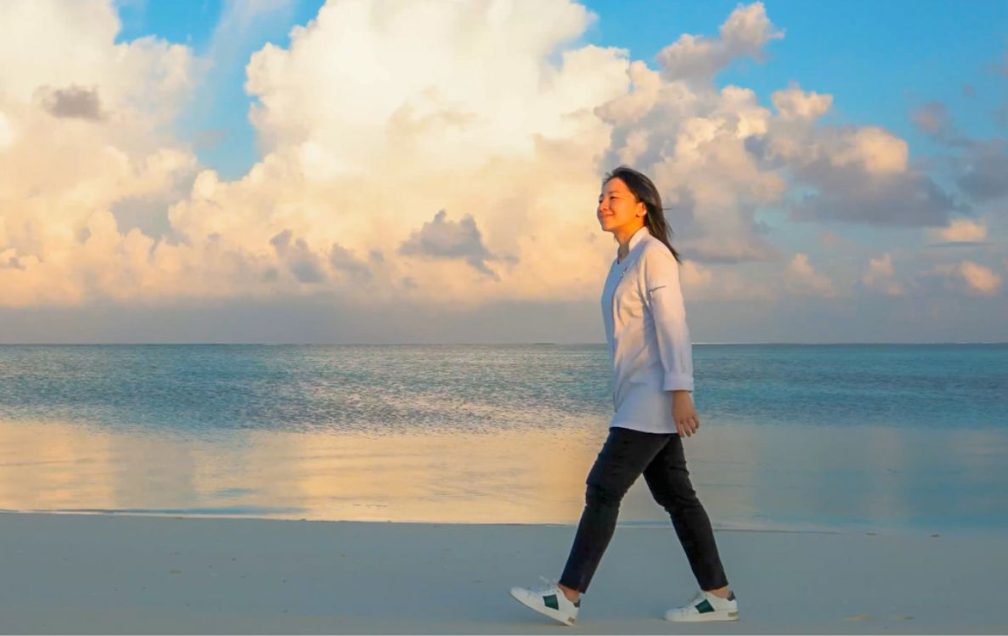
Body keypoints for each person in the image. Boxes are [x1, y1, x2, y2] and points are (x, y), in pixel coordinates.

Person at [509, 166, 737, 625]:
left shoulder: (654, 255)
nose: (602, 205)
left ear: (641, 206)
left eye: (613, 197)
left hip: (653, 394)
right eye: (600, 197)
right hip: (635, 394)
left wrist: (680, 390)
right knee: (677, 497)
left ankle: (567, 595)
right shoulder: (622, 261)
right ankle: (718, 596)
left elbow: (673, 324)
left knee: (603, 488)